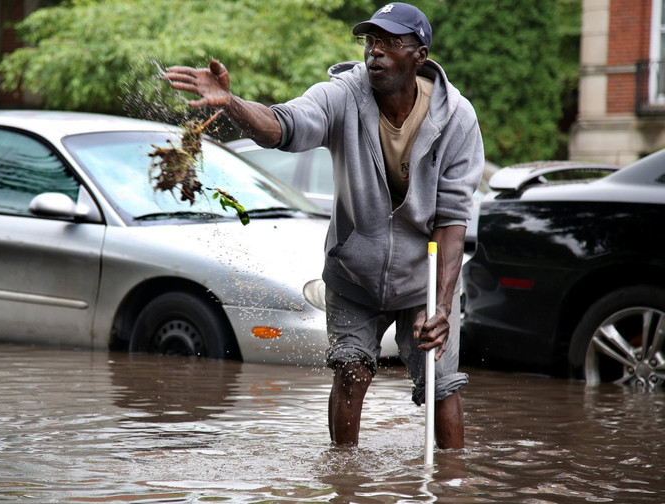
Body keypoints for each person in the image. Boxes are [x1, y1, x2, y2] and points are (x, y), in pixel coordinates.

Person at [166, 2, 483, 449]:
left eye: (390, 43)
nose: (375, 52)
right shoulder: (343, 96)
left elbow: (452, 219)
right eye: (370, 41)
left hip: (422, 282)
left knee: (441, 384)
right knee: (351, 373)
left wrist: (442, 308)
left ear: (419, 54)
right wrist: (232, 103)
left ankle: (453, 483)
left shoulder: (456, 118)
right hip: (354, 275)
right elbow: (282, 126)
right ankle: (344, 481)